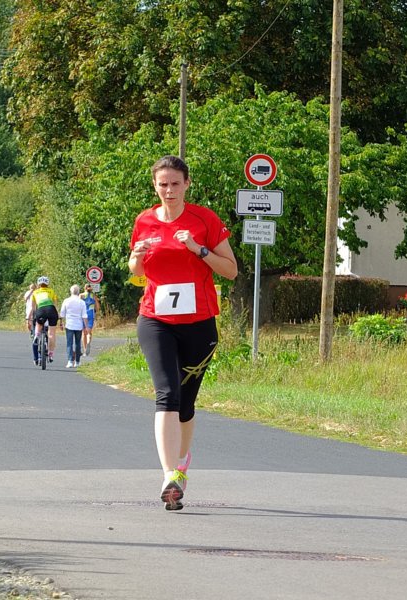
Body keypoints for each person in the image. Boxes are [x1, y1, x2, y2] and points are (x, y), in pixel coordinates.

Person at [128, 155, 238, 510]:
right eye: (163, 184)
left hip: (199, 323)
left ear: (187, 184)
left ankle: (182, 461)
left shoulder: (205, 220)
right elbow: (134, 272)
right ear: (154, 186)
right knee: (167, 394)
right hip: (155, 319)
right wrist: (137, 256)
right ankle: (169, 475)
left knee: (186, 404)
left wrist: (198, 249)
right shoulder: (144, 220)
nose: (169, 190)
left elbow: (231, 271)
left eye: (175, 183)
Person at [59, 284, 89, 368]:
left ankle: (69, 361)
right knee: (78, 343)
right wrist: (86, 327)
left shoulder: (66, 301)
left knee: (69, 343)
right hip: (78, 325)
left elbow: (62, 313)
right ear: (78, 292)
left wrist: (61, 323)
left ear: (71, 291)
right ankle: (77, 361)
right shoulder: (82, 302)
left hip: (69, 324)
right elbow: (84, 316)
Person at [31, 276, 58, 365]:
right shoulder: (51, 291)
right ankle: (50, 353)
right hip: (51, 309)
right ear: (47, 284)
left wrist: (34, 316)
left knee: (39, 324)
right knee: (51, 334)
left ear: (38, 284)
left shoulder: (35, 292)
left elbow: (33, 307)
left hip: (41, 310)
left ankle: (36, 335)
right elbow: (55, 304)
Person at [80, 283, 100, 356]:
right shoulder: (93, 296)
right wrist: (96, 311)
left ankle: (85, 350)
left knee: (83, 333)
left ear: (84, 288)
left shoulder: (81, 296)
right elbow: (97, 307)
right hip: (91, 314)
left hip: (83, 314)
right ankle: (88, 342)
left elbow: (78, 305)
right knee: (89, 332)